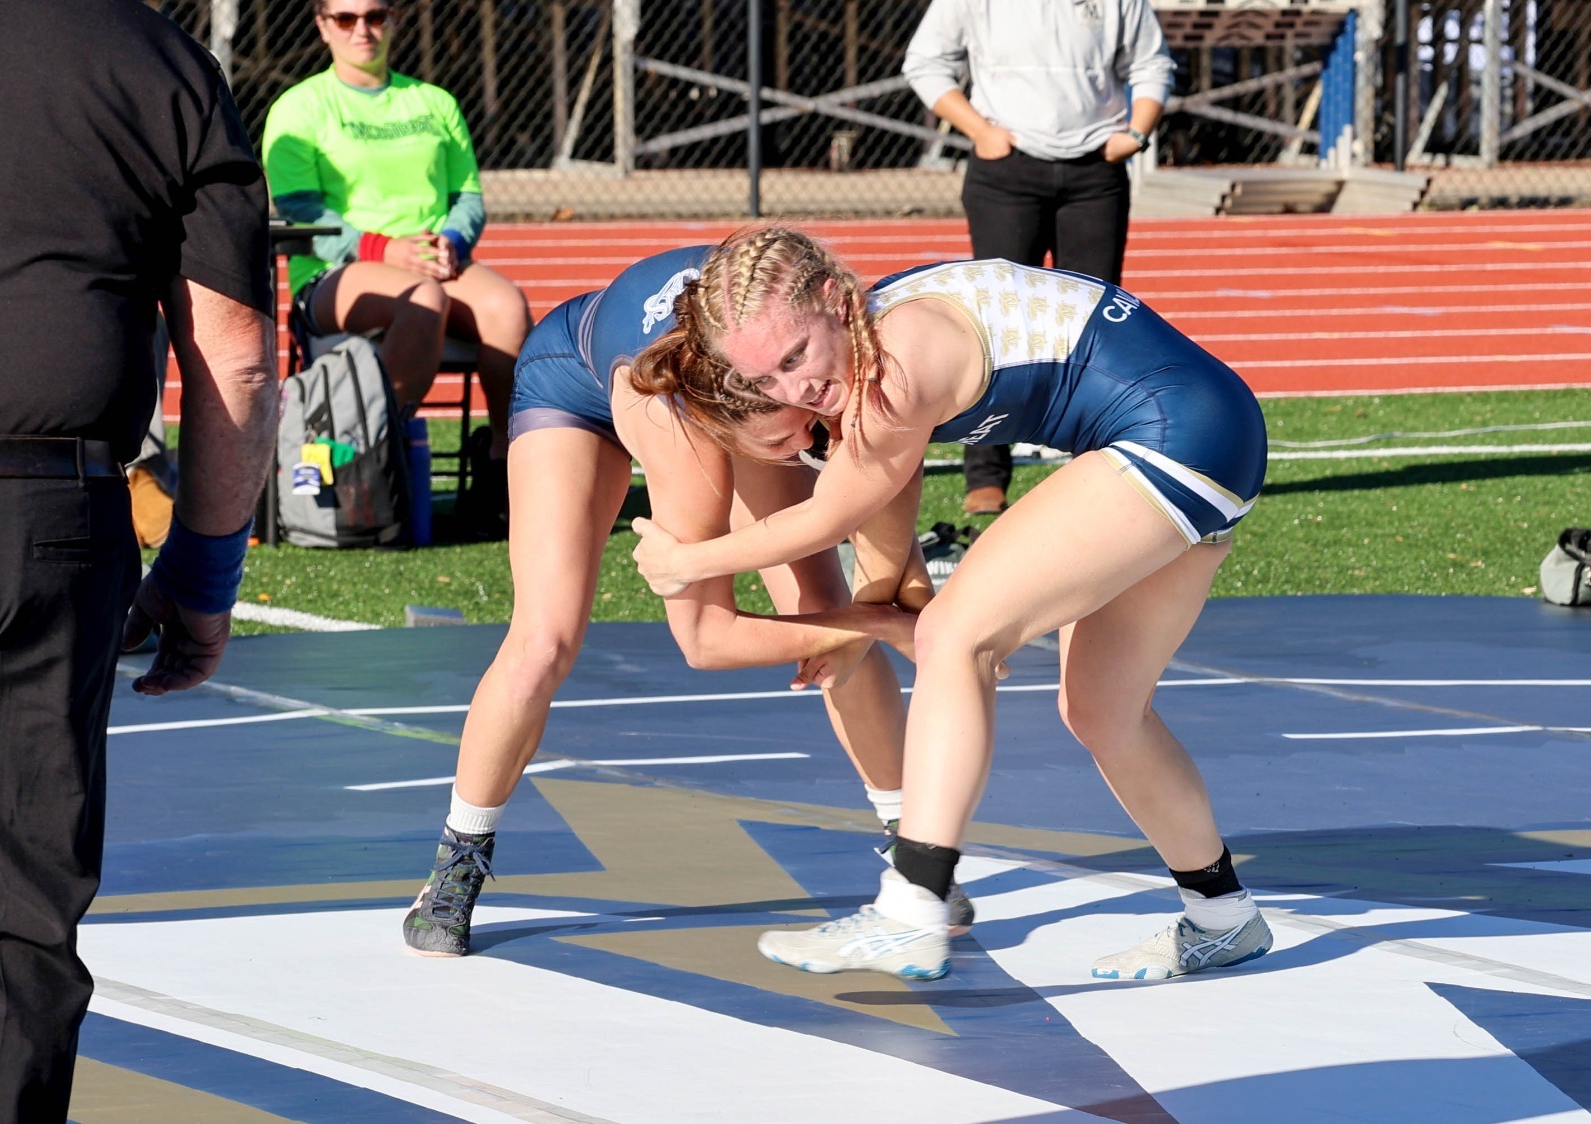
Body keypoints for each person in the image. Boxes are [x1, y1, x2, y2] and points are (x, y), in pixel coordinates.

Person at [628, 227, 1271, 983]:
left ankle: (911, 908)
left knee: (955, 637)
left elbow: (827, 517)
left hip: (1176, 435)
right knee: (1101, 710)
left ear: (837, 302)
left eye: (797, 357)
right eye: (768, 380)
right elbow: (883, 515)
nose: (794, 391)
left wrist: (687, 562)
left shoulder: (898, 362)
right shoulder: (870, 362)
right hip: (1210, 435)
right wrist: (880, 608)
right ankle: (1223, 915)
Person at [0, 0, 278, 1116]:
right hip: (33, 516)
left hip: (34, 506)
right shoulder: (151, 57)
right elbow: (237, 358)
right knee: (5, 932)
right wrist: (205, 570)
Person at [401, 246, 971, 957]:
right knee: (544, 640)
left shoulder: (789, 362)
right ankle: (456, 863)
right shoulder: (692, 455)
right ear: (730, 433)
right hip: (571, 378)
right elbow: (704, 642)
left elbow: (870, 515)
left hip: (721, 374)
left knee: (821, 606)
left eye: (809, 419)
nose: (814, 445)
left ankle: (912, 854)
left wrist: (855, 619)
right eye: (796, 439)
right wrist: (879, 622)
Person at [263, 0, 531, 529]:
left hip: (433, 260)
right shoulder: (298, 107)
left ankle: (502, 473)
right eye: (345, 18)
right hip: (336, 273)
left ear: (393, 22)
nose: (362, 29)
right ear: (322, 26)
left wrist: (452, 239)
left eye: (376, 16)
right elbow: (299, 209)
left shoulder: (435, 101)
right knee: (422, 301)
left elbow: (469, 199)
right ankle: (368, 458)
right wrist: (382, 249)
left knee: (508, 308)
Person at [903, 0, 1174, 517]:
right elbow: (925, 62)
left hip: (1096, 174)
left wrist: (1135, 133)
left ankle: (1101, 467)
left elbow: (1152, 63)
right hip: (1005, 174)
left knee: (1099, 330)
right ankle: (985, 475)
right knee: (995, 322)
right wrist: (981, 131)